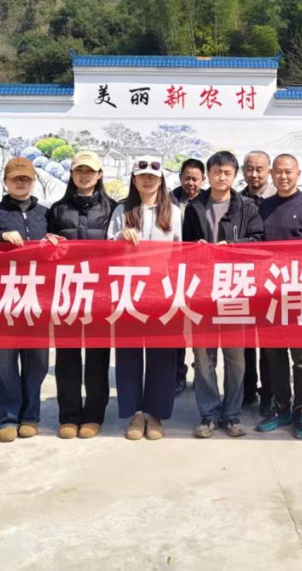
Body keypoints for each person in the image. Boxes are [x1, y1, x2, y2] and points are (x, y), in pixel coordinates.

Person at [0, 157, 60, 443]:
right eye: (15, 178)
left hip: (38, 297)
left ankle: (30, 416)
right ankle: (7, 417)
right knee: (6, 362)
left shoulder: (46, 214)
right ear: (6, 181)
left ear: (33, 181)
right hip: (4, 298)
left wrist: (56, 246)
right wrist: (0, 236)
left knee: (37, 360)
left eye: (26, 178)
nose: (21, 183)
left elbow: (61, 251)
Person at [183, 150, 264, 438]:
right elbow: (184, 247)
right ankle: (208, 414)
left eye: (227, 173)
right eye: (216, 172)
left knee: (236, 358)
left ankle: (232, 414)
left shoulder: (247, 207)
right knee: (204, 357)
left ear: (235, 175)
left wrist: (233, 245)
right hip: (203, 290)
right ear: (208, 175)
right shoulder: (194, 208)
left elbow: (259, 241)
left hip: (235, 288)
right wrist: (196, 249)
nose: (221, 177)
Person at [109, 155, 183, 441]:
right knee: (128, 354)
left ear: (161, 180)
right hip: (129, 291)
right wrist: (120, 236)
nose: (148, 180)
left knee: (162, 355)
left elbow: (180, 253)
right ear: (134, 179)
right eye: (142, 176)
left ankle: (155, 414)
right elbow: (106, 249)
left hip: (162, 292)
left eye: (153, 175)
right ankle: (135, 413)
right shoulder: (122, 210)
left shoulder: (173, 212)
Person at [256, 154, 302, 439]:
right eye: (278, 172)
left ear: (298, 173)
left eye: (289, 172)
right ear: (271, 174)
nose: (283, 177)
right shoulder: (263, 207)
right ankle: (282, 408)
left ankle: (301, 411)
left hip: (299, 295)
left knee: (301, 358)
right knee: (274, 355)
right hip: (269, 295)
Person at [46, 150, 116, 440]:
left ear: (99, 175)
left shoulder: (113, 209)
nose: (84, 175)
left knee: (98, 357)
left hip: (100, 294)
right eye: (79, 171)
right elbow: (45, 251)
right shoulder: (57, 210)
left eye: (90, 171)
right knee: (67, 357)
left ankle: (94, 415)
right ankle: (69, 416)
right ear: (72, 174)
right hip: (67, 292)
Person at [240, 150, 276, 413]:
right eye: (249, 169)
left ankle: (269, 394)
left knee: (269, 344)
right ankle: (246, 391)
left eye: (259, 169)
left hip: (272, 280)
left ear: (269, 171)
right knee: (244, 342)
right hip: (243, 280)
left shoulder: (278, 199)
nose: (254, 174)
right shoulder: (236, 200)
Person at [172, 157, 205, 393]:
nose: (190, 183)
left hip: (201, 273)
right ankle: (178, 375)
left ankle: (201, 373)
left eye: (195, 179)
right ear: (180, 178)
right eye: (186, 178)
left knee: (201, 327)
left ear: (203, 179)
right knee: (177, 328)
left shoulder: (208, 201)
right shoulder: (168, 199)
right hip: (174, 272)